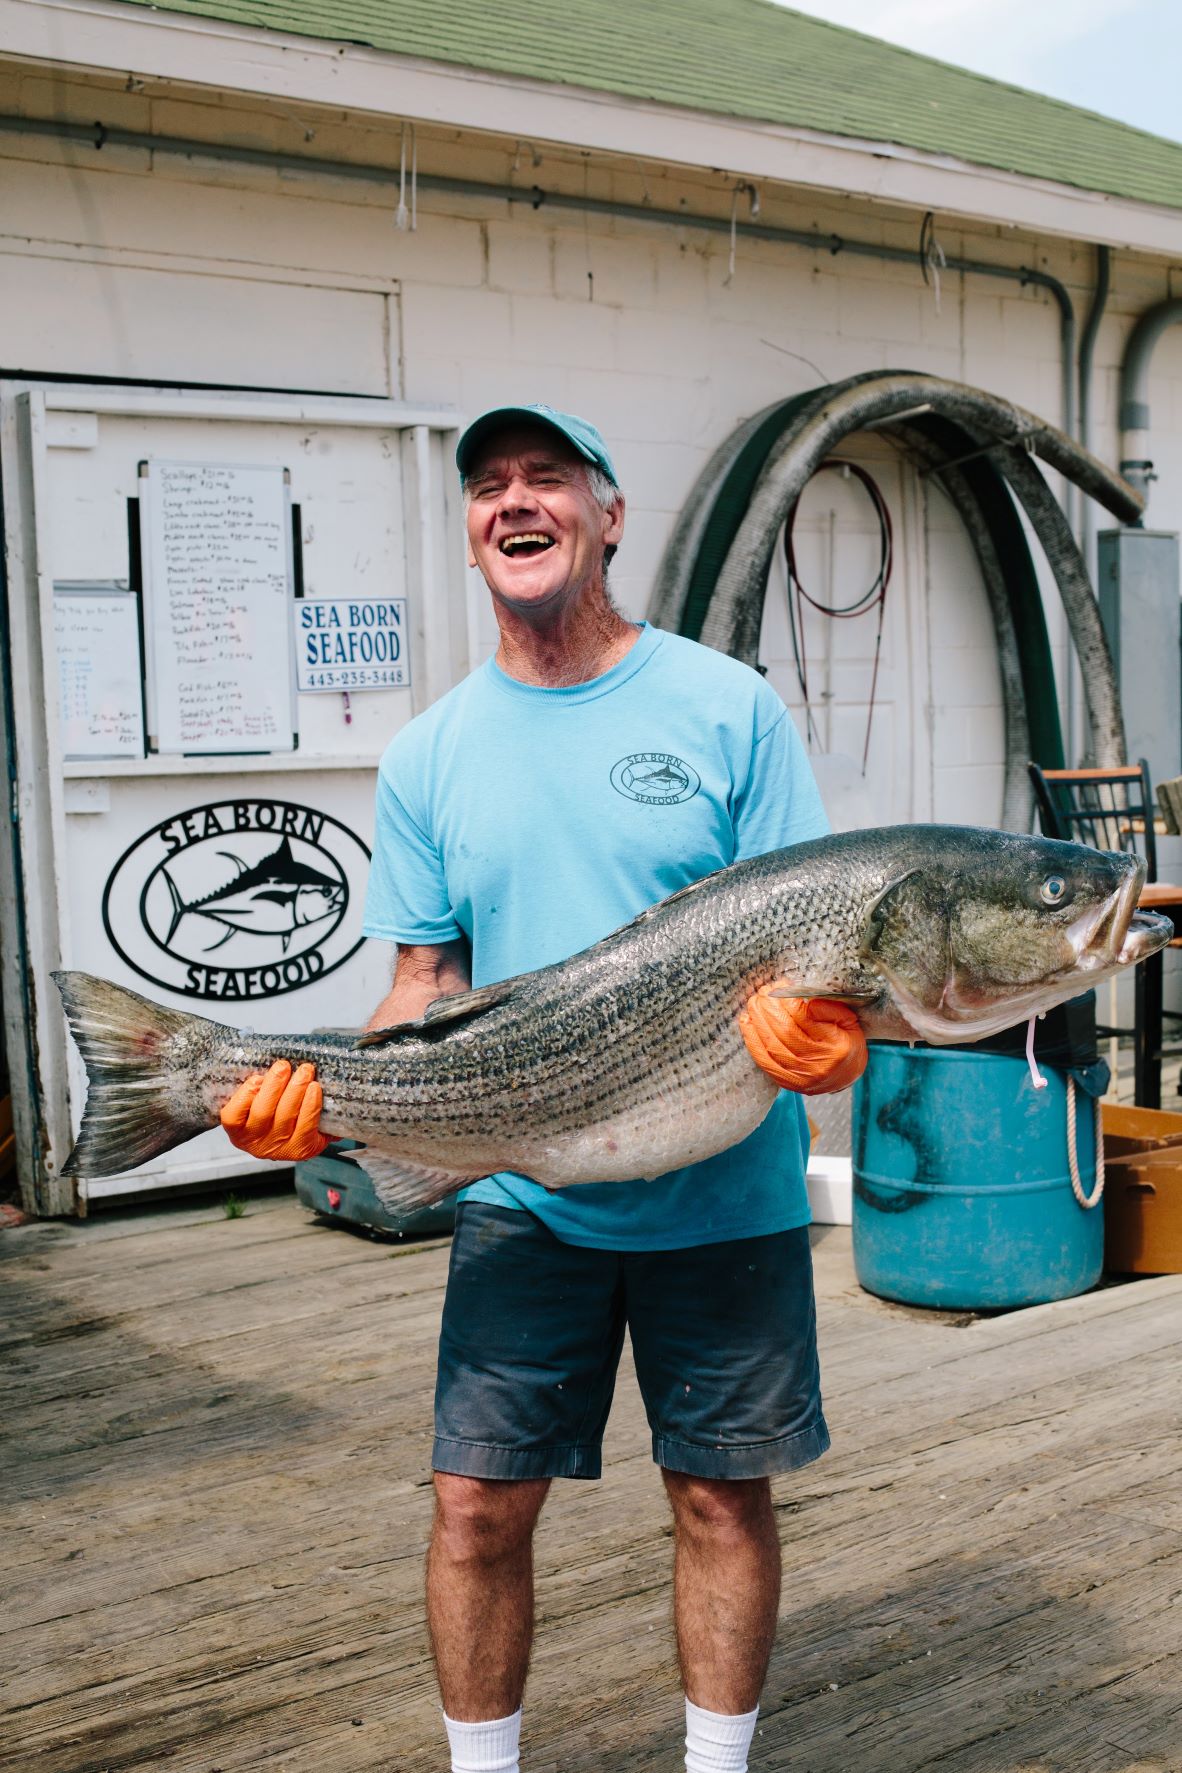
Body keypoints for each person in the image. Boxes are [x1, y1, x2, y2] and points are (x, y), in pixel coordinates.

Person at [220, 404, 867, 1773]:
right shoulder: (430, 753)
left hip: (724, 1191)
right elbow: (421, 985)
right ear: (471, 533)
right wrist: (313, 1092)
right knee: (472, 1508)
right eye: (489, 485)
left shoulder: (725, 706)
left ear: (607, 515)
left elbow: (818, 949)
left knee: (717, 1496)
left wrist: (836, 1047)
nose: (515, 501)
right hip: (525, 1186)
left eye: (548, 478)